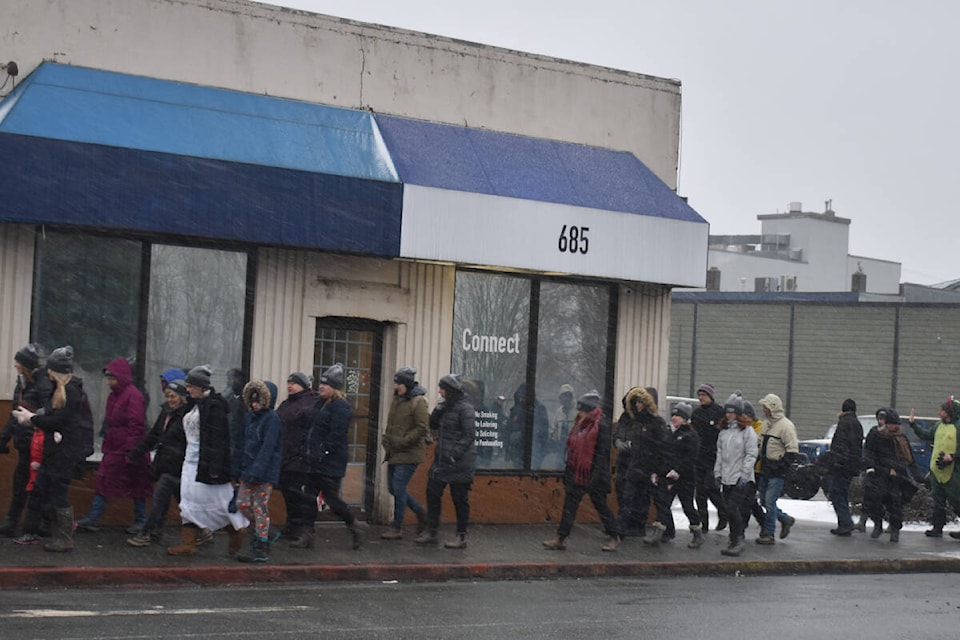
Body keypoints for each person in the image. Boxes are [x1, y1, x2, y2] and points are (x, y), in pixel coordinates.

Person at [12, 346, 91, 552]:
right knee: (41, 489)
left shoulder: (70, 392)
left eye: (50, 370)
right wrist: (35, 417)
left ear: (56, 371)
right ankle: (50, 529)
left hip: (63, 453)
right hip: (54, 451)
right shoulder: (60, 390)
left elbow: (57, 420)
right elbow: (51, 416)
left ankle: (64, 538)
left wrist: (32, 420)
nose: (47, 373)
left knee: (58, 494)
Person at [168, 365, 248, 557]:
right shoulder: (192, 404)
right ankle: (188, 543)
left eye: (190, 386)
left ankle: (236, 530)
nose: (187, 389)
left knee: (217, 502)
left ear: (201, 386)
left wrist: (215, 467)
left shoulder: (215, 406)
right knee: (188, 501)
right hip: (190, 462)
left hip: (206, 464)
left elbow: (219, 438)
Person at [76, 357, 153, 533]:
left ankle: (139, 520)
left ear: (122, 377)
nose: (109, 382)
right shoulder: (116, 395)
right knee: (108, 481)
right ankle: (95, 518)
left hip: (127, 448)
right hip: (116, 446)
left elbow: (136, 425)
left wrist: (130, 449)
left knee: (136, 484)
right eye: (109, 379)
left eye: (112, 378)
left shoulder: (133, 396)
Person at [299, 363, 366, 550]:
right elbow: (311, 429)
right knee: (308, 498)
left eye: (326, 384)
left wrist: (323, 452)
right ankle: (307, 535)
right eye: (321, 383)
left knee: (332, 500)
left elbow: (336, 435)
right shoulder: (320, 404)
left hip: (330, 463)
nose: (321, 387)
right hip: (314, 460)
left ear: (335, 388)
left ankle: (354, 525)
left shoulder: (340, 407)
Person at [542, 391, 619, 551]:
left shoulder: (601, 426)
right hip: (577, 471)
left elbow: (602, 455)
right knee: (569, 505)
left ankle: (615, 535)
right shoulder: (580, 424)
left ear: (590, 410)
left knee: (600, 506)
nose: (579, 413)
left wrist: (595, 478)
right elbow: (573, 449)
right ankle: (561, 537)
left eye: (582, 410)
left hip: (593, 474)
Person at [125, 379, 190, 547]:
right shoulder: (167, 413)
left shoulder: (187, 417)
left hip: (177, 466)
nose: (170, 399)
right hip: (165, 463)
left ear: (182, 397)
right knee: (182, 502)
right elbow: (154, 435)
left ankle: (146, 532)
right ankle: (202, 530)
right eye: (168, 396)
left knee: (160, 499)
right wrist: (135, 453)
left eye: (173, 396)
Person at [415, 374, 476, 549]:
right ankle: (432, 531)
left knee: (459, 499)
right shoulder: (446, 407)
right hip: (442, 460)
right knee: (432, 492)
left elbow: (469, 435)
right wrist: (438, 409)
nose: (440, 391)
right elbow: (432, 425)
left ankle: (461, 536)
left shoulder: (465, 408)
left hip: (459, 462)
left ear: (450, 390)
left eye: (442, 389)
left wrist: (454, 454)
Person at [0, 343, 52, 538]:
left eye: (18, 362)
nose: (15, 366)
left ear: (26, 365)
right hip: (25, 445)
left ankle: (38, 524)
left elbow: (48, 416)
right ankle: (16, 522)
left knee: (36, 486)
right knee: (22, 484)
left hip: (38, 446)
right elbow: (14, 415)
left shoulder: (43, 385)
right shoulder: (22, 384)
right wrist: (4, 438)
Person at [610, 387, 670, 549]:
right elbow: (624, 435)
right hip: (633, 466)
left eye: (639, 402)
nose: (637, 405)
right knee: (627, 497)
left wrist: (659, 470)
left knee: (655, 501)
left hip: (648, 468)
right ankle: (619, 533)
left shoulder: (656, 423)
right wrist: (622, 443)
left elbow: (662, 447)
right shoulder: (635, 421)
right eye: (634, 402)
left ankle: (663, 529)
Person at [233, 379, 283, 563]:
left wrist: (258, 470)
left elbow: (268, 449)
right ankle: (266, 531)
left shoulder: (272, 420)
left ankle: (261, 545)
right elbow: (241, 443)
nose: (254, 405)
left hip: (264, 473)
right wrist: (238, 467)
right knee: (242, 503)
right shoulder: (248, 419)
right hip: (248, 470)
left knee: (259, 506)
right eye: (252, 401)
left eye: (258, 401)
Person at [380, 366, 430, 540]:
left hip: (409, 453)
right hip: (394, 451)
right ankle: (421, 513)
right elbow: (392, 423)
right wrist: (387, 440)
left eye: (399, 383)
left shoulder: (418, 401)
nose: (396, 387)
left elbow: (422, 427)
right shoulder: (398, 400)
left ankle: (397, 527)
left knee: (399, 487)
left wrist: (403, 441)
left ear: (406, 384)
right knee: (393, 488)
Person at [275, 371, 320, 545]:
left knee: (298, 494)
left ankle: (304, 528)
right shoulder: (287, 404)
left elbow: (309, 431)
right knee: (288, 493)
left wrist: (302, 452)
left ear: (303, 385)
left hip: (299, 457)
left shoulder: (310, 403)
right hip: (285, 455)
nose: (290, 385)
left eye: (294, 383)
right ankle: (292, 525)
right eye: (288, 382)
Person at [909, 397, 960, 540]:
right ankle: (937, 527)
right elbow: (927, 435)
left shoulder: (958, 426)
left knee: (957, 501)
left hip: (954, 471)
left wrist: (953, 456)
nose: (939, 413)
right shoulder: (938, 426)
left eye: (942, 410)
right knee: (938, 501)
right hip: (937, 470)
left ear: (949, 412)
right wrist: (913, 425)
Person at [714, 394, 758, 556]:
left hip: (741, 478)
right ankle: (733, 540)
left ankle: (739, 539)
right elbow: (720, 454)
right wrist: (717, 473)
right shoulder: (724, 432)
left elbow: (751, 454)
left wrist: (744, 475)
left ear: (739, 413)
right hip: (726, 477)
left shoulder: (747, 431)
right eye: (727, 412)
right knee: (728, 509)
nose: (729, 415)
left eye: (732, 412)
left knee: (733, 508)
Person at [862, 408, 914, 542]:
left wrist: (900, 470)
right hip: (878, 473)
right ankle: (878, 525)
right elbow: (869, 452)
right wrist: (870, 467)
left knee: (895, 504)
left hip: (895, 476)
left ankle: (895, 530)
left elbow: (907, 458)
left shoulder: (901, 438)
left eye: (897, 424)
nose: (895, 427)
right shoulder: (876, 434)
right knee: (876, 501)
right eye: (893, 424)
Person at [658, 402, 704, 549]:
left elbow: (690, 458)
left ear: (685, 418)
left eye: (678, 415)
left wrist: (678, 470)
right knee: (663, 503)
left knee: (687, 506)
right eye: (673, 415)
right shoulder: (673, 434)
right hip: (671, 476)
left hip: (686, 478)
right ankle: (666, 531)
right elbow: (667, 455)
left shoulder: (691, 435)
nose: (674, 418)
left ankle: (697, 533)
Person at [755, 393, 799, 545]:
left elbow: (792, 450)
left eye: (765, 407)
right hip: (765, 468)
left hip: (777, 470)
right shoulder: (766, 424)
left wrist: (781, 465)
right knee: (764, 501)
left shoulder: (786, 426)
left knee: (769, 502)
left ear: (773, 408)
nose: (763, 410)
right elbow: (759, 445)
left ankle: (769, 533)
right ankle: (785, 519)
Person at [691, 383, 727, 532]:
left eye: (703, 395)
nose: (701, 398)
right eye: (699, 395)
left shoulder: (719, 412)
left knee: (711, 488)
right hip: (698, 457)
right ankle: (703, 523)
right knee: (700, 493)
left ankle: (723, 514)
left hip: (714, 458)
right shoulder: (696, 414)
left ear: (710, 396)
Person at [825, 399, 864, 536]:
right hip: (852, 465)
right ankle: (844, 523)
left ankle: (846, 523)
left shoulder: (844, 423)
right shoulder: (857, 424)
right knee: (841, 493)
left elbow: (840, 445)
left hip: (842, 465)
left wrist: (837, 461)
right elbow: (855, 446)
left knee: (836, 493)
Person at [612, 387, 643, 536]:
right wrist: (618, 442)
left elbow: (642, 440)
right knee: (621, 490)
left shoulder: (643, 419)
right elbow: (617, 433)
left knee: (634, 495)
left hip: (636, 462)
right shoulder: (624, 417)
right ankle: (624, 523)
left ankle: (635, 525)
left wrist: (631, 445)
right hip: (623, 461)